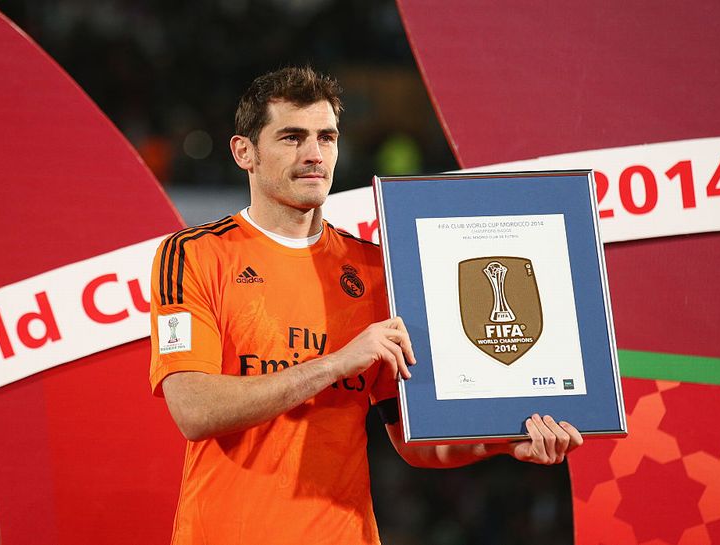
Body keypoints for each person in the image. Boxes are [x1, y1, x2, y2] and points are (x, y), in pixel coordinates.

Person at [149, 66, 583, 545]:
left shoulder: (375, 269)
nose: (314, 155)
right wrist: (336, 364)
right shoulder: (193, 255)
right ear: (243, 152)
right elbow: (195, 410)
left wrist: (502, 440)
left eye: (327, 137)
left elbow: (416, 443)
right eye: (292, 137)